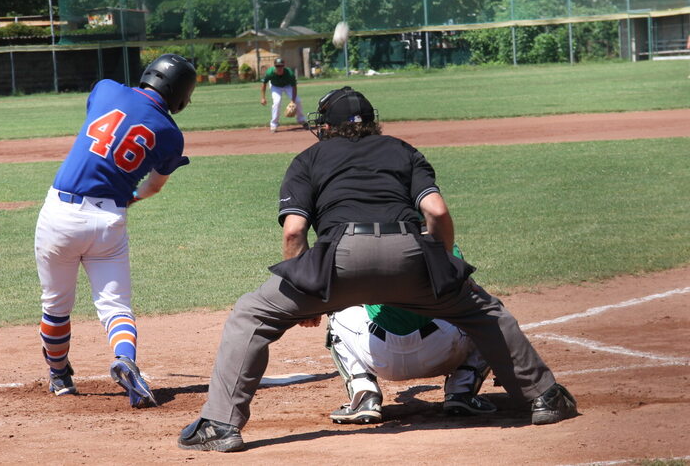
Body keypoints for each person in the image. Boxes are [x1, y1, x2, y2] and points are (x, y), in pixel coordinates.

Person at [177, 86, 577, 452]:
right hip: (410, 252)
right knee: (483, 311)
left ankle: (220, 425)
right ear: (371, 123)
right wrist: (443, 267)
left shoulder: (309, 158)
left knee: (251, 315)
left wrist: (309, 290)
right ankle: (543, 397)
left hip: (340, 258)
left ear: (327, 127)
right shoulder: (402, 150)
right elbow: (435, 210)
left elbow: (294, 231)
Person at [34, 54, 196, 408]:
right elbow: (153, 187)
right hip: (109, 218)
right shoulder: (171, 134)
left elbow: (102, 131)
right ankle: (125, 359)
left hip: (60, 212)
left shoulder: (106, 89)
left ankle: (60, 377)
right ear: (181, 95)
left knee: (56, 306)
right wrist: (129, 198)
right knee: (116, 306)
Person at [325, 246, 496, 424]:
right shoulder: (442, 242)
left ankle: (364, 396)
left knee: (336, 313)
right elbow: (468, 291)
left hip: (381, 359)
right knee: (486, 311)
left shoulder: (365, 248)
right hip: (442, 353)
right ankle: (462, 390)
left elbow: (337, 292)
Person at [260, 57, 307, 133]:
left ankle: (302, 120)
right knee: (277, 102)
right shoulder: (270, 72)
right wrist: (263, 98)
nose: (279, 68)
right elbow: (263, 84)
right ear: (275, 66)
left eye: (281, 66)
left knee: (297, 101)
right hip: (275, 86)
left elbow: (294, 87)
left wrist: (292, 101)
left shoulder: (289, 73)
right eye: (277, 66)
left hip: (287, 86)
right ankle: (274, 124)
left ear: (284, 66)